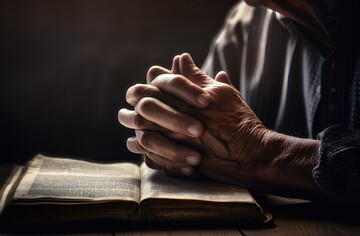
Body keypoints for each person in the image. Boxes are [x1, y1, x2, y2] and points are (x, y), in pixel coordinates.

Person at [118, 0, 360, 203]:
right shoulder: (244, 26)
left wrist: (265, 154)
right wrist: (174, 140)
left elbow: (240, 150)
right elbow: (198, 142)